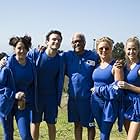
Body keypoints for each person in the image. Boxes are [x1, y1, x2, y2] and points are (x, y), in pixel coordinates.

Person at [28, 30, 64, 140]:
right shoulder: (36, 54)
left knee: (51, 124)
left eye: (59, 40)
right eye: (53, 39)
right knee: (35, 122)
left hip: (51, 97)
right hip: (36, 96)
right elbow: (21, 57)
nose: (56, 42)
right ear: (47, 41)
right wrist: (4, 61)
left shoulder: (61, 59)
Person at [64, 32, 99, 140]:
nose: (77, 43)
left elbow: (105, 63)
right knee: (77, 124)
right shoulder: (67, 56)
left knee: (90, 125)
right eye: (75, 42)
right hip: (74, 99)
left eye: (79, 41)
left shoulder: (94, 56)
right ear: (71, 43)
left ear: (84, 42)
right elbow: (52, 54)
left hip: (89, 99)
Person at [1, 35, 36, 140]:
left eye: (25, 48)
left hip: (22, 104)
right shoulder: (7, 64)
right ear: (14, 49)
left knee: (26, 136)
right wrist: (14, 94)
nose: (22, 51)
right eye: (19, 48)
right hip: (6, 103)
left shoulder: (31, 64)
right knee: (8, 135)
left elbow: (32, 85)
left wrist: (26, 97)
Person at [91, 37, 124, 140]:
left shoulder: (116, 66)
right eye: (101, 48)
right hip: (95, 103)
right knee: (102, 131)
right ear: (97, 50)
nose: (104, 50)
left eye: (107, 48)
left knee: (104, 134)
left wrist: (98, 90)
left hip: (109, 105)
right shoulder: (96, 65)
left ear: (111, 49)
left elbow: (117, 90)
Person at [117, 37, 140, 140]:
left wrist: (128, 86)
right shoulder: (123, 65)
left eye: (134, 49)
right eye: (129, 49)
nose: (131, 52)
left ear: (138, 50)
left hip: (137, 106)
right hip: (125, 105)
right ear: (125, 50)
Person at [0, 52, 15, 140]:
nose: (5, 61)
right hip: (3, 102)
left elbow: (10, 86)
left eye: (6, 60)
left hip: (6, 101)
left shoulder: (7, 70)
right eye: (3, 59)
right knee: (7, 130)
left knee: (9, 130)